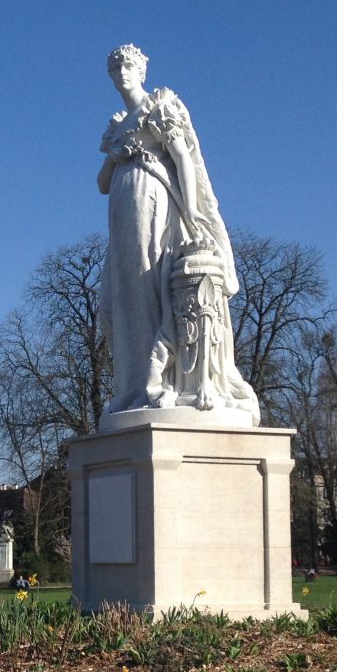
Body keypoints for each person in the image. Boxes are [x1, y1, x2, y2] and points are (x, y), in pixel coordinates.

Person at [97, 44, 259, 419]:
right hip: (123, 220)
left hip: (157, 212)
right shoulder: (119, 124)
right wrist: (115, 156)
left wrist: (193, 213)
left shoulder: (160, 107)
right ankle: (131, 387)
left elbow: (185, 160)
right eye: (116, 68)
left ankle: (160, 382)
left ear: (142, 71)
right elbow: (103, 183)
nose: (122, 72)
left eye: (128, 66)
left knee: (151, 292)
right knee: (122, 301)